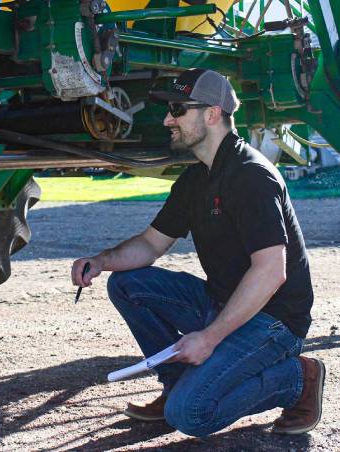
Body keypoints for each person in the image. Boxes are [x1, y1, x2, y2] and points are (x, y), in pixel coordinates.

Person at [71, 68, 325, 436]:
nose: (167, 119)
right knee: (126, 284)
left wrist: (209, 338)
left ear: (212, 114)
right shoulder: (195, 179)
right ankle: (176, 384)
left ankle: (298, 378)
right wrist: (102, 261)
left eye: (177, 109)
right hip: (222, 303)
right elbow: (150, 244)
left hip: (274, 322)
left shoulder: (251, 175)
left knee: (190, 416)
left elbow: (272, 271)